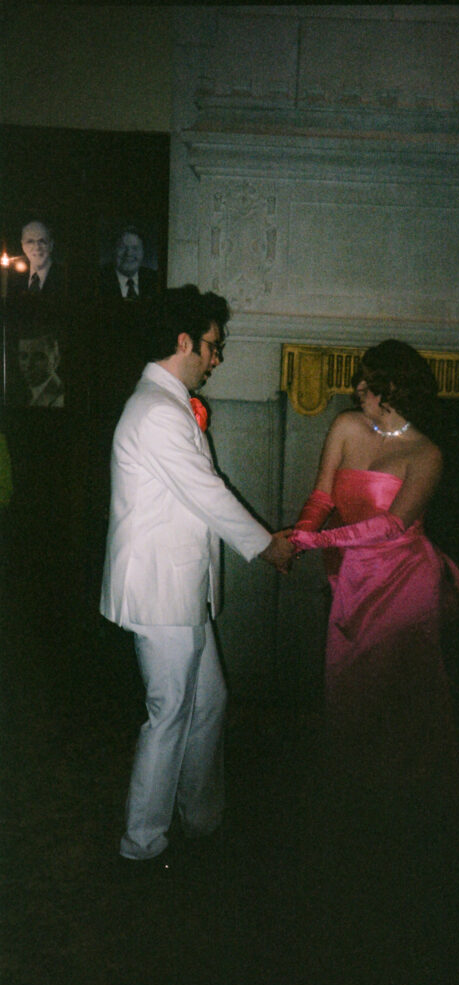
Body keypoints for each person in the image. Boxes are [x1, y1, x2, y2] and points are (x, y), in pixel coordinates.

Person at [100, 284, 294, 868]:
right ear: (184, 342)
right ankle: (142, 844)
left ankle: (202, 819)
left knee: (208, 701)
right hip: (160, 590)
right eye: (213, 345)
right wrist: (266, 546)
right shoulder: (157, 411)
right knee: (172, 713)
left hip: (179, 587)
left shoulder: (167, 403)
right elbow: (208, 494)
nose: (218, 357)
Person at [290, 339, 459, 839]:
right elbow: (322, 495)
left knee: (402, 694)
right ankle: (359, 800)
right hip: (352, 575)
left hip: (404, 580)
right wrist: (301, 534)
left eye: (370, 381)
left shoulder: (426, 453)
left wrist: (314, 540)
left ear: (394, 389)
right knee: (348, 686)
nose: (358, 387)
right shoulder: (347, 426)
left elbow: (391, 527)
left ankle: (408, 806)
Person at [99, 225, 159, 299]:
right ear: (113, 250)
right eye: (122, 247)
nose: (129, 253)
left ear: (143, 252)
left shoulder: (155, 279)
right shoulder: (98, 279)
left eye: (135, 248)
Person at [12, 219, 65, 297]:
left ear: (51, 245)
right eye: (30, 241)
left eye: (42, 241)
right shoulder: (14, 279)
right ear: (23, 246)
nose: (37, 247)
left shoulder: (65, 277)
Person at [17, 332, 65, 408]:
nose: (28, 365)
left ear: (56, 361)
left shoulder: (59, 400)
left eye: (38, 357)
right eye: (24, 356)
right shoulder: (24, 392)